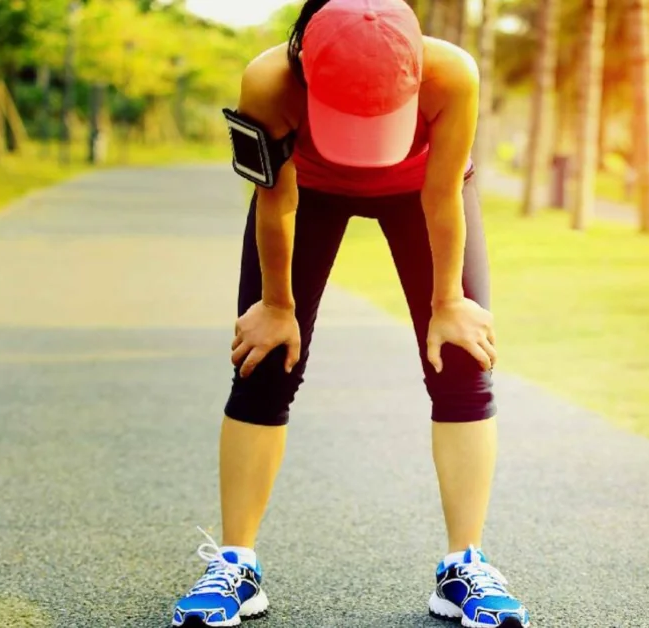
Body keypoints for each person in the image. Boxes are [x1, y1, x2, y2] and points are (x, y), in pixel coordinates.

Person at [168, 1, 529, 626]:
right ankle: (235, 565)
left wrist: (449, 302)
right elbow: (274, 200)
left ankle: (463, 567)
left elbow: (443, 194)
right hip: (310, 189)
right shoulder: (268, 82)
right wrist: (276, 306)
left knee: (462, 356)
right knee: (264, 359)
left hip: (419, 189)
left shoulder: (452, 74)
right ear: (305, 66)